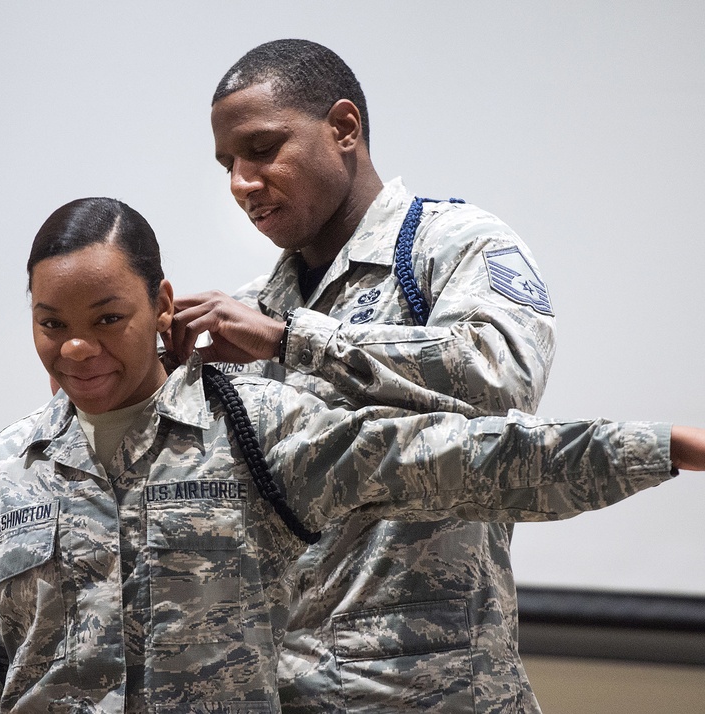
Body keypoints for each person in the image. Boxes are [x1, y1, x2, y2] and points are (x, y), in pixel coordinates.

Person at [0, 196, 705, 714]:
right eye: (51, 326)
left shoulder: (251, 429)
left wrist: (658, 446)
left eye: (107, 321)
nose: (78, 351)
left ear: (161, 303)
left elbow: (464, 461)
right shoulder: (4, 470)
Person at [165, 39, 555, 712]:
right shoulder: (253, 308)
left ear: (344, 128)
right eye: (228, 164)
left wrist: (294, 341)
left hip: (436, 695)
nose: (240, 183)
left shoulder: (451, 245)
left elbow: (503, 373)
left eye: (261, 149)